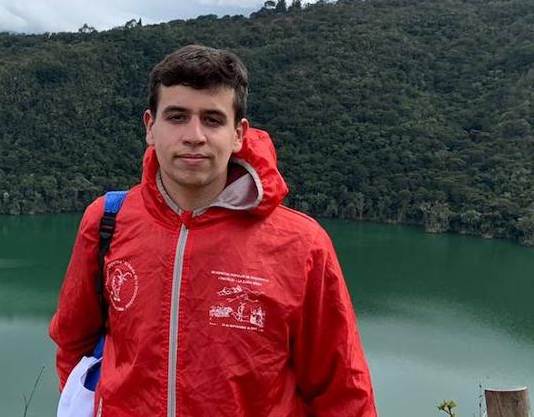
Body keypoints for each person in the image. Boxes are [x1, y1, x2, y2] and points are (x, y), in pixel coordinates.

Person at [49, 44, 377, 417]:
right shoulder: (107, 220)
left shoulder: (301, 244)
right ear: (150, 127)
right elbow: (73, 342)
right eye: (177, 117)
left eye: (212, 119)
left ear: (238, 134)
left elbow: (342, 390)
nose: (194, 135)